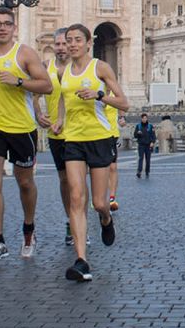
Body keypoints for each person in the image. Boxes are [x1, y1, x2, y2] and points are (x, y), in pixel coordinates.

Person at [0, 8, 53, 261]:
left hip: (22, 128)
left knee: (24, 183)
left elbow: (46, 85)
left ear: (14, 28)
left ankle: (29, 230)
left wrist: (18, 81)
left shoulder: (25, 53)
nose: (2, 28)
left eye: (7, 24)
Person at [49, 23, 129, 281]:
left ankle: (106, 219)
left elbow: (124, 103)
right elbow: (62, 97)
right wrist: (60, 119)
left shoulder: (100, 68)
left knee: (98, 203)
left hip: (99, 138)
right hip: (72, 139)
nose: (71, 44)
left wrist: (99, 95)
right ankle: (81, 259)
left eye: (76, 40)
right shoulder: (64, 72)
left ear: (87, 43)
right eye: (68, 40)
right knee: (75, 198)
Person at [38, 28, 72, 246]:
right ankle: (71, 219)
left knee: (76, 181)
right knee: (64, 180)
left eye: (64, 44)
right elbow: (34, 94)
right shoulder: (45, 68)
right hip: (55, 132)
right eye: (57, 44)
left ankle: (80, 222)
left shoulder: (80, 69)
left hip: (78, 131)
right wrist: (38, 113)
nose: (60, 48)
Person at [133, 111, 157, 177]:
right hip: (141, 144)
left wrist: (152, 142)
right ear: (141, 119)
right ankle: (139, 171)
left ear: (147, 119)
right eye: (143, 118)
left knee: (148, 159)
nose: (144, 119)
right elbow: (135, 135)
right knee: (141, 158)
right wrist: (138, 133)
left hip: (148, 144)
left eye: (145, 118)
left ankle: (147, 171)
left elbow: (153, 135)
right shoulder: (138, 126)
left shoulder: (150, 126)